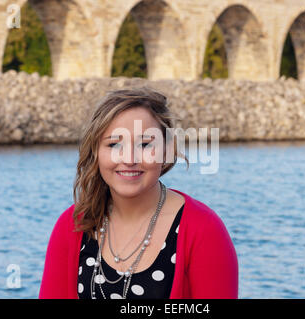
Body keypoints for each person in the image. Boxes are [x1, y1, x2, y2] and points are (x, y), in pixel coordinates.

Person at [39, 87, 238, 299]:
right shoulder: (73, 225)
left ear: (166, 149)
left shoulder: (204, 230)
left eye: (144, 144)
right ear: (96, 151)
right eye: (114, 144)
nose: (129, 159)